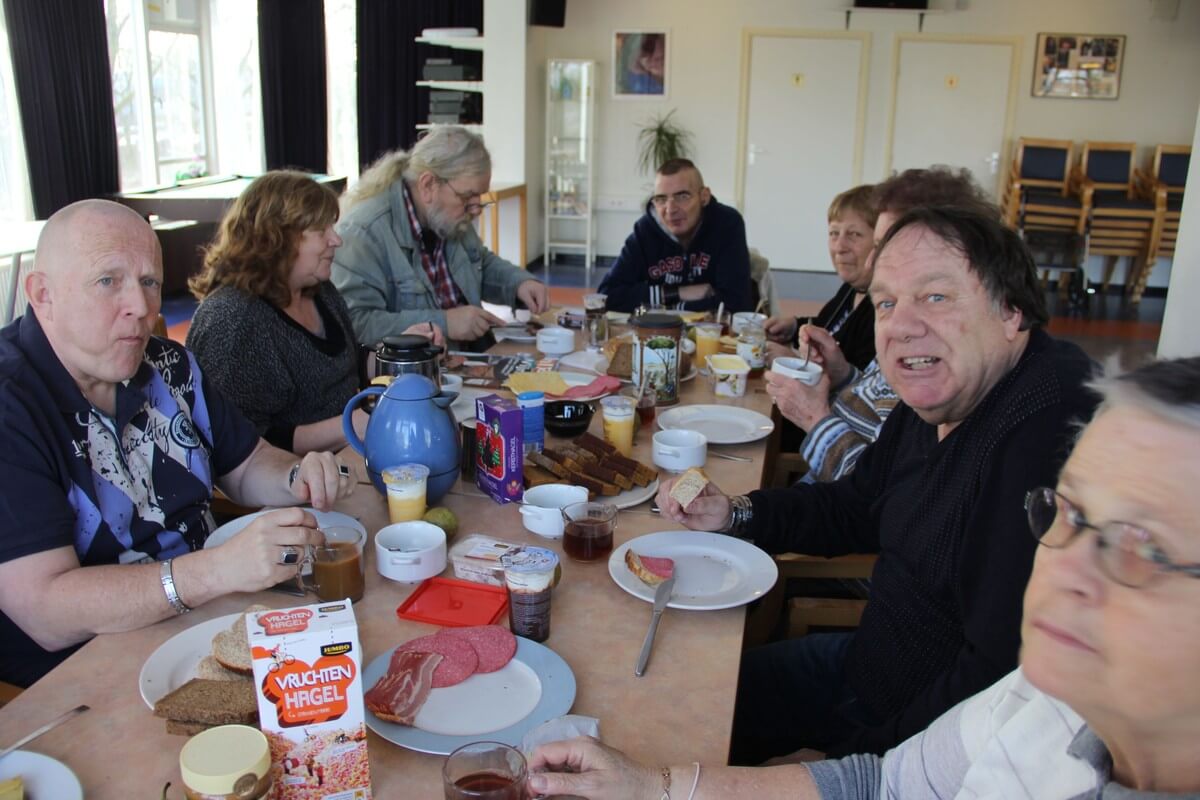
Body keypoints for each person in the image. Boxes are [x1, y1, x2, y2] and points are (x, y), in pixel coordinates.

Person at [529, 357, 1200, 800]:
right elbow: (881, 785)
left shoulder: (1026, 422)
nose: (1065, 567)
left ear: (1009, 309)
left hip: (887, 696)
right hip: (866, 669)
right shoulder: (1042, 705)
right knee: (650, 712)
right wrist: (655, 786)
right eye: (1068, 513)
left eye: (1141, 548)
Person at [661, 206, 1099, 762]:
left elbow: (996, 678)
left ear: (1011, 310)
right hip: (867, 667)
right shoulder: (939, 393)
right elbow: (856, 505)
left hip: (920, 739)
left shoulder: (1047, 431)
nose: (901, 325)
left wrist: (850, 769)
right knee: (681, 695)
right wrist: (733, 514)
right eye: (887, 302)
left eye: (936, 297)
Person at [0, 200, 355, 688]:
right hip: (91, 674)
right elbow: (46, 611)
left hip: (216, 618)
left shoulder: (169, 365)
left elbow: (247, 463)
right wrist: (213, 572)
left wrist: (296, 476)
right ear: (43, 294)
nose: (142, 307)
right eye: (109, 281)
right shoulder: (11, 405)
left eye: (149, 281)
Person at [186, 171, 444, 455]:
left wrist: (400, 356)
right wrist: (353, 425)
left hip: (348, 455)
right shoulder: (233, 321)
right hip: (290, 484)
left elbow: (343, 368)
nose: (336, 240)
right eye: (322, 231)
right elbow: (242, 445)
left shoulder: (320, 290)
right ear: (278, 239)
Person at [766, 168, 997, 483]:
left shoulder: (944, 370)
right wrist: (842, 373)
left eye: (936, 297)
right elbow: (879, 400)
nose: (872, 261)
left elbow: (872, 492)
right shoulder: (897, 320)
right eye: (834, 233)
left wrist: (813, 417)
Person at [331, 126, 549, 348]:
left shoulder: (447, 215)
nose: (475, 210)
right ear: (428, 185)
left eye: (479, 198)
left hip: (472, 359)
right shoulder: (363, 233)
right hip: (417, 374)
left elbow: (479, 263)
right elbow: (355, 323)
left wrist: (518, 283)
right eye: (467, 197)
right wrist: (445, 322)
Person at [598, 158, 752, 313]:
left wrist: (668, 309)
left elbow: (736, 303)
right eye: (661, 199)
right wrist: (678, 293)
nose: (670, 210)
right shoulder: (645, 231)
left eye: (682, 196)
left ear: (704, 196)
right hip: (657, 335)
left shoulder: (727, 224)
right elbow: (606, 296)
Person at [764, 185, 878, 372]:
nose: (840, 247)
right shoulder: (852, 289)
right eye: (834, 233)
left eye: (854, 234)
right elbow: (826, 328)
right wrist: (793, 327)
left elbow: (862, 389)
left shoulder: (882, 311)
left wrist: (796, 364)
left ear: (880, 241)